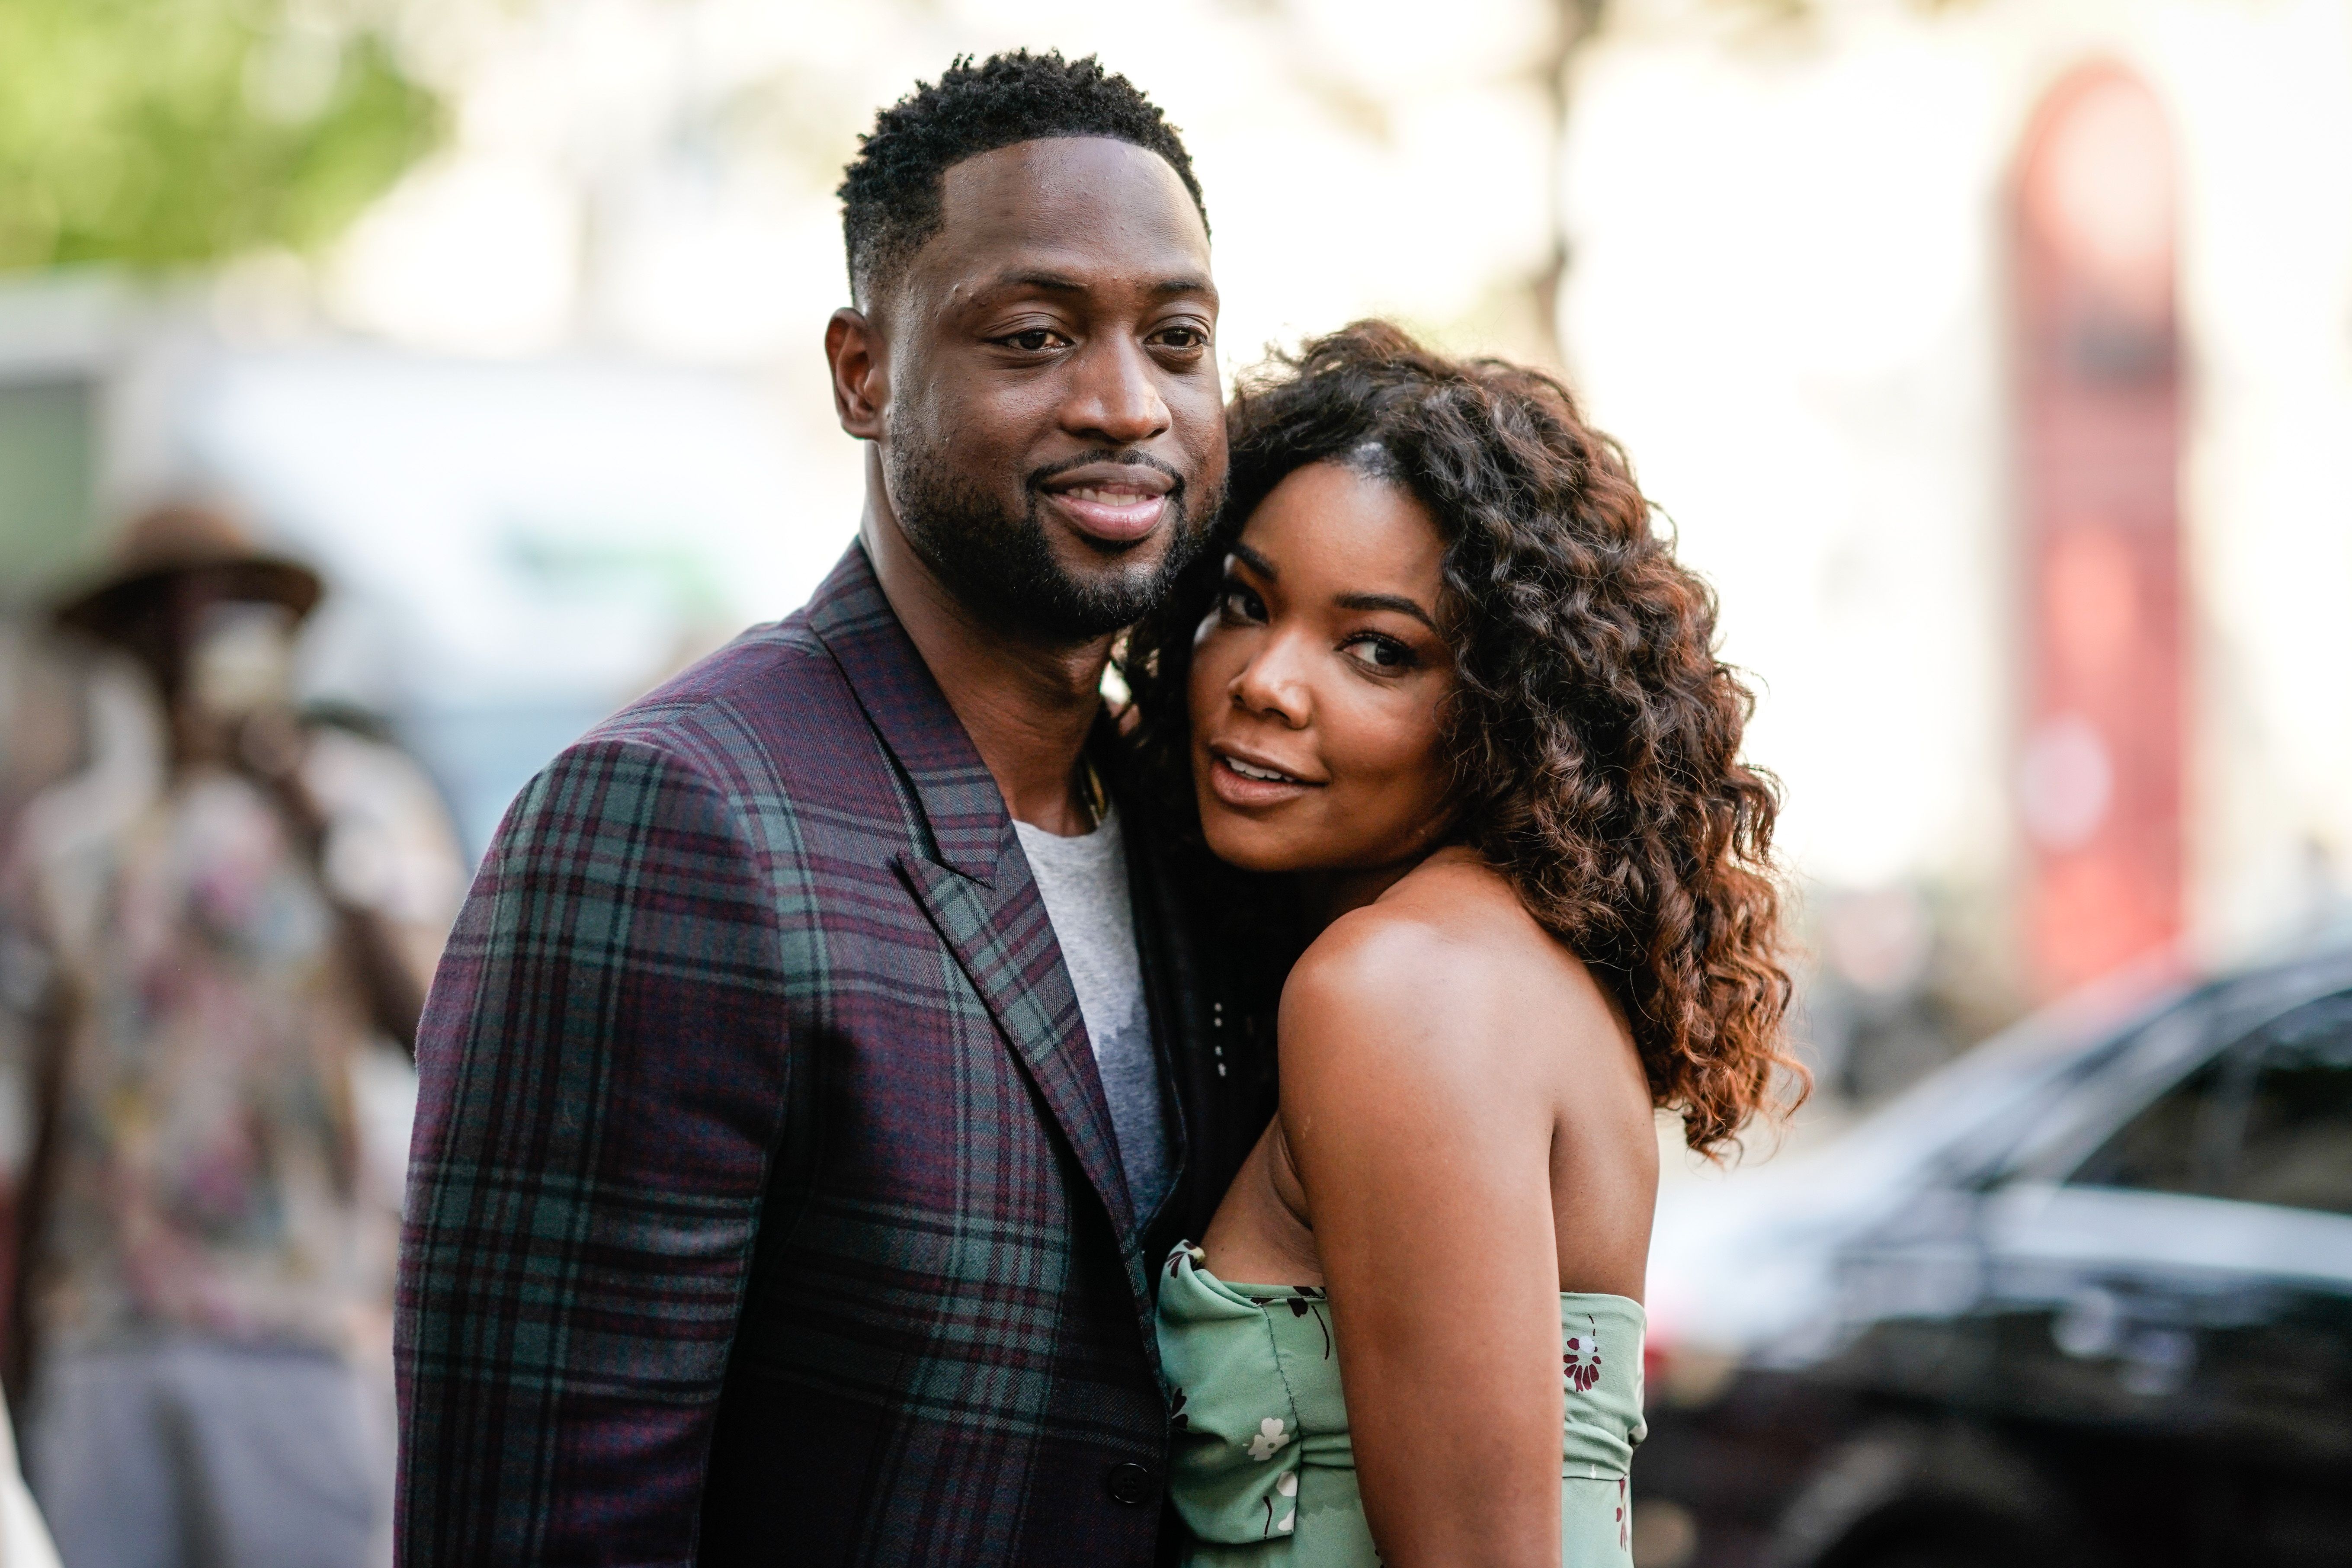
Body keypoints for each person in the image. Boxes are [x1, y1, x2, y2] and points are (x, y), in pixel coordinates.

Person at [396, 52, 1272, 1567]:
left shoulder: (1193, 821)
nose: (1125, 402)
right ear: (862, 372)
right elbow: (538, 1527)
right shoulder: (674, 820)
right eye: (1033, 335)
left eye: (1175, 338)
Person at [1119, 324, 1802, 1567]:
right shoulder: (1495, 960)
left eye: (1376, 648)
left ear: (1505, 714)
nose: (1266, 680)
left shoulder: (1396, 990)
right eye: (1243, 601)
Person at [0, 502, 465, 1568]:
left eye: (228, 609)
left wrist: (300, 808)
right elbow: (57, 1104)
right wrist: (27, 1346)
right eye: (168, 611)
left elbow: (435, 1035)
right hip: (108, 1334)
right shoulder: (75, 849)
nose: (197, 633)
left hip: (297, 1324)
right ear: (130, 641)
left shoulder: (360, 809)